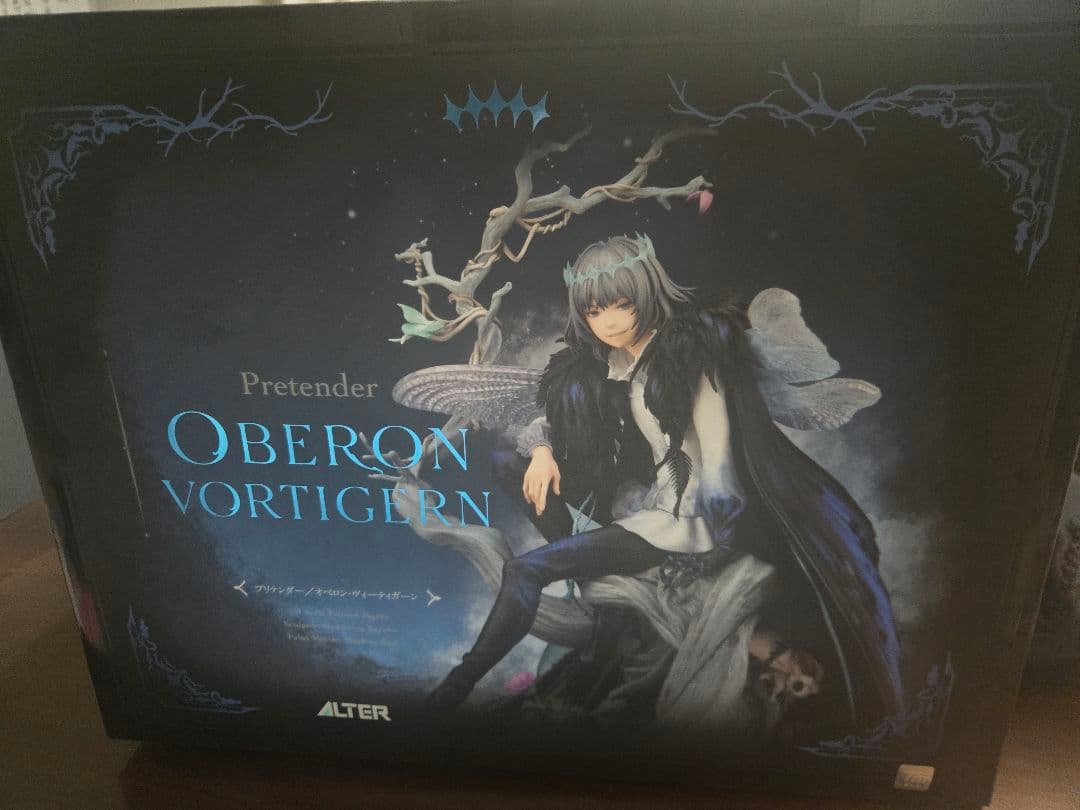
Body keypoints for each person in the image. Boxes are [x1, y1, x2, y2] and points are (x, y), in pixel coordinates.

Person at [426, 234, 902, 730]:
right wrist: (543, 451)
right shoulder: (615, 365)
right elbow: (559, 419)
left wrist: (716, 509)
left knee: (525, 571)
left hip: (687, 523)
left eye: (621, 304)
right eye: (594, 311)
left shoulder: (692, 353)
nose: (609, 321)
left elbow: (716, 445)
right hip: (646, 512)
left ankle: (456, 688)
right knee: (509, 463)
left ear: (647, 292)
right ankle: (590, 597)